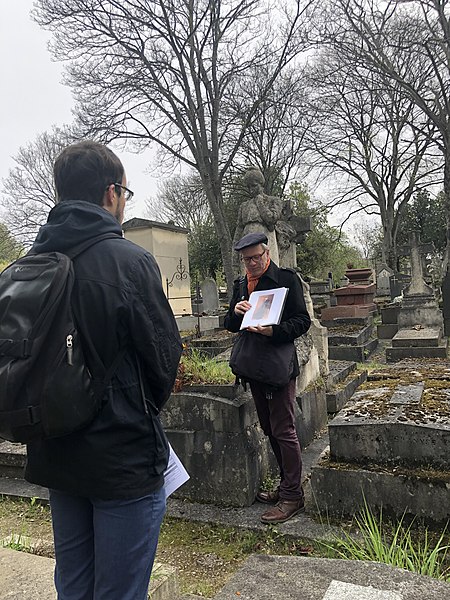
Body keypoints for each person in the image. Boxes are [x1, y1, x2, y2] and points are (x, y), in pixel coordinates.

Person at [24, 141, 183, 600]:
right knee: (119, 591)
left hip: (55, 454)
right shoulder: (129, 262)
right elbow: (163, 360)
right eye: (125, 194)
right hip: (121, 459)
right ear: (112, 194)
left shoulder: (27, 266)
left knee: (73, 584)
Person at [224, 232, 311, 524]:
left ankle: (292, 497)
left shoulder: (286, 279)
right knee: (269, 429)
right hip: (253, 366)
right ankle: (286, 486)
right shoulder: (240, 285)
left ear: (267, 252)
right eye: (246, 259)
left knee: (284, 429)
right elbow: (230, 324)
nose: (251, 263)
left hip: (277, 366)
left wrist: (274, 331)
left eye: (256, 257)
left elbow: (302, 321)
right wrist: (235, 313)